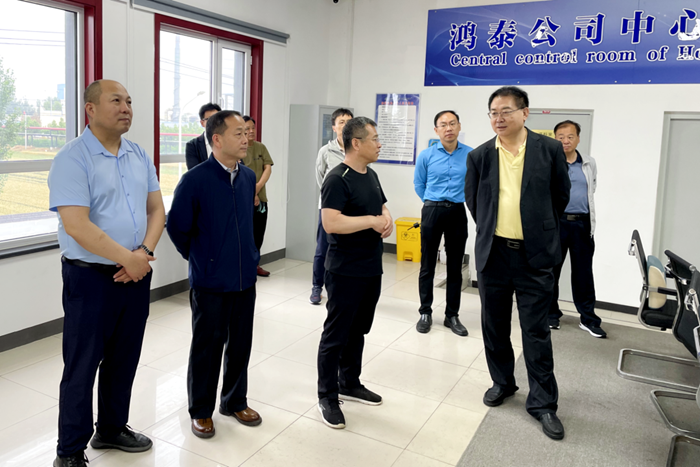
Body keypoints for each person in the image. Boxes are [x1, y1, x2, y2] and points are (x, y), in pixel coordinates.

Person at [48, 79, 165, 467]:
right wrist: (128, 258)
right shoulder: (73, 158)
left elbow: (156, 210)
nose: (126, 108)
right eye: (116, 100)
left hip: (135, 274)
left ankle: (111, 428)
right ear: (91, 109)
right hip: (90, 278)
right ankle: (69, 450)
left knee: (124, 358)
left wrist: (142, 253)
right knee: (82, 364)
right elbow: (77, 225)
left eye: (129, 101)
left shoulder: (138, 154)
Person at [465, 86, 570, 441]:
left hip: (534, 255)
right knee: (494, 326)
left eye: (506, 111)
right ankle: (503, 382)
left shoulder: (549, 150)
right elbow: (474, 202)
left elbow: (560, 196)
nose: (499, 118)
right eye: (493, 112)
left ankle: (543, 403)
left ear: (525, 113)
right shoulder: (479, 156)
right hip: (493, 254)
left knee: (535, 330)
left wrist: (538, 229)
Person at [167, 110, 262, 439]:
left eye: (247, 132)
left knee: (241, 343)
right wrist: (201, 258)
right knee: (207, 347)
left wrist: (250, 255)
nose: (246, 139)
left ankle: (234, 401)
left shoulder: (247, 177)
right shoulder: (195, 180)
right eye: (239, 133)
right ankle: (201, 410)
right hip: (210, 280)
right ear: (217, 139)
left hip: (244, 278)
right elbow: (177, 227)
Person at [316, 117, 392, 429]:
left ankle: (350, 381)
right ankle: (327, 395)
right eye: (375, 139)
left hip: (370, 267)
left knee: (358, 329)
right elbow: (331, 222)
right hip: (345, 270)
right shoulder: (337, 178)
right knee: (336, 334)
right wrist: (372, 221)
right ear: (356, 143)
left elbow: (381, 206)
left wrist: (386, 218)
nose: (379, 144)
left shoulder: (370, 174)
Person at [413, 110, 471, 336]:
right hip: (432, 210)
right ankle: (425, 312)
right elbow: (419, 184)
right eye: (443, 125)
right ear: (436, 130)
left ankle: (452, 315)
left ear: (459, 127)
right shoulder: (426, 155)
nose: (448, 128)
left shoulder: (470, 154)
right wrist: (431, 203)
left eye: (452, 123)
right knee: (427, 264)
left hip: (457, 211)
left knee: (455, 267)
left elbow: (474, 184)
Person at [548, 121, 605, 337]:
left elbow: (592, 188)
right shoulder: (549, 162)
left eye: (570, 136)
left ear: (578, 139)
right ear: (555, 139)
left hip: (582, 224)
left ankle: (588, 319)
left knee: (583, 274)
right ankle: (551, 315)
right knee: (551, 271)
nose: (565, 140)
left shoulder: (589, 163)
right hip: (557, 224)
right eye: (560, 136)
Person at [310, 108, 354, 305]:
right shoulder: (325, 151)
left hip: (351, 209)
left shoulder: (357, 149)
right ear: (334, 127)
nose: (346, 126)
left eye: (349, 122)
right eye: (342, 122)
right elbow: (320, 179)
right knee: (323, 248)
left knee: (346, 249)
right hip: (329, 208)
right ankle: (317, 286)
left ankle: (340, 286)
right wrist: (332, 199)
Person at [242, 116, 273, 277]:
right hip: (244, 201)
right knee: (245, 235)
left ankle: (255, 264)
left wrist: (258, 187)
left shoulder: (260, 147)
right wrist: (251, 193)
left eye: (253, 127)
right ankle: (244, 266)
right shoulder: (239, 149)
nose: (251, 131)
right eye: (247, 128)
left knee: (258, 234)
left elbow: (268, 168)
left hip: (261, 199)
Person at [185, 102, 221, 169]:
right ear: (202, 123)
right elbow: (194, 171)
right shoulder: (192, 146)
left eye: (217, 119)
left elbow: (239, 166)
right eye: (210, 119)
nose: (214, 122)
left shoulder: (229, 142)